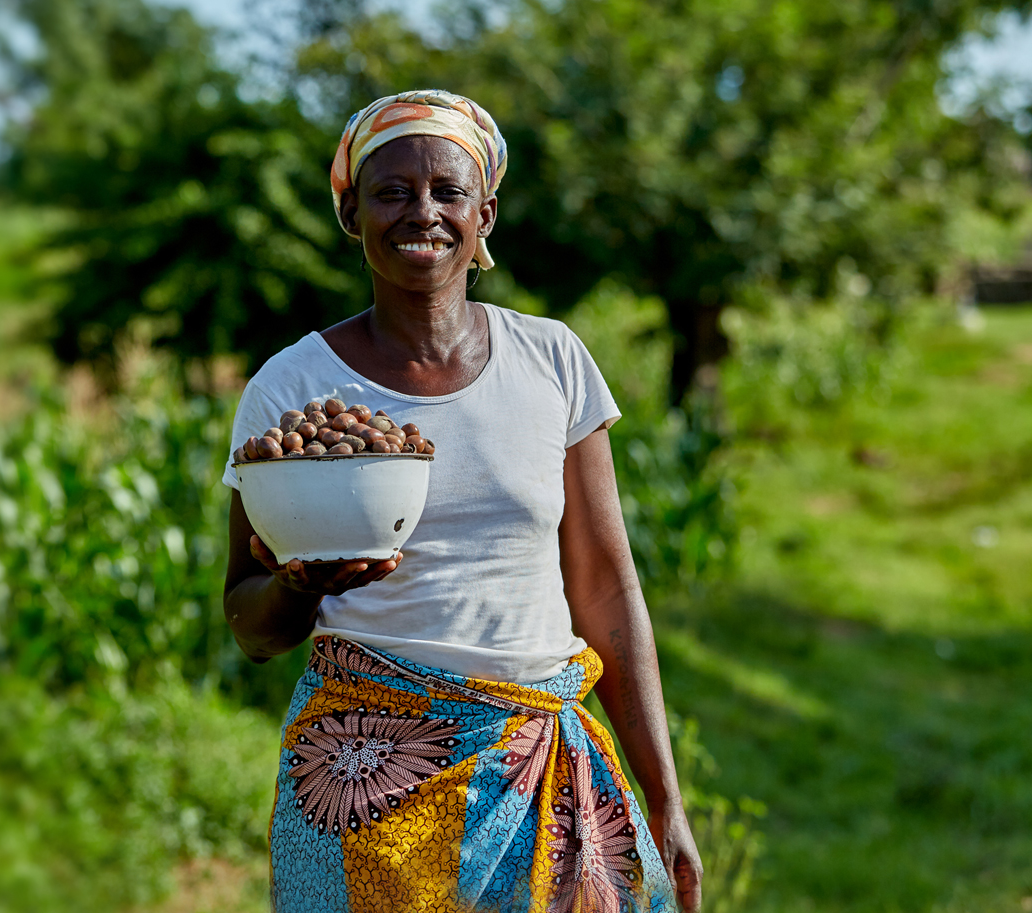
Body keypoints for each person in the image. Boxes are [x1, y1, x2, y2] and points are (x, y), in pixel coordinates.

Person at [221, 90, 703, 912]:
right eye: (392, 191)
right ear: (351, 213)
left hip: (544, 763)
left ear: (484, 214)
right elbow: (249, 622)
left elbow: (606, 587)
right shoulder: (293, 388)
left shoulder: (552, 359)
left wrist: (664, 794)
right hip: (363, 783)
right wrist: (302, 586)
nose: (423, 212)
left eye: (447, 191)